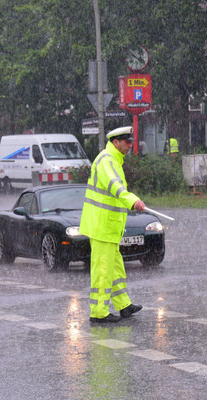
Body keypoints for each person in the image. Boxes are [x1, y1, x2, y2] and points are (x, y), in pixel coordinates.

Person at [79, 126, 145, 323]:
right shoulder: (106, 160)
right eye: (127, 142)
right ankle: (98, 312)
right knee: (102, 271)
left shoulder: (113, 159)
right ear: (116, 142)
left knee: (114, 269)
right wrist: (132, 200)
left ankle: (123, 305)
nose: (130, 145)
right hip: (102, 227)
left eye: (130, 141)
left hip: (108, 227)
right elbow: (114, 186)